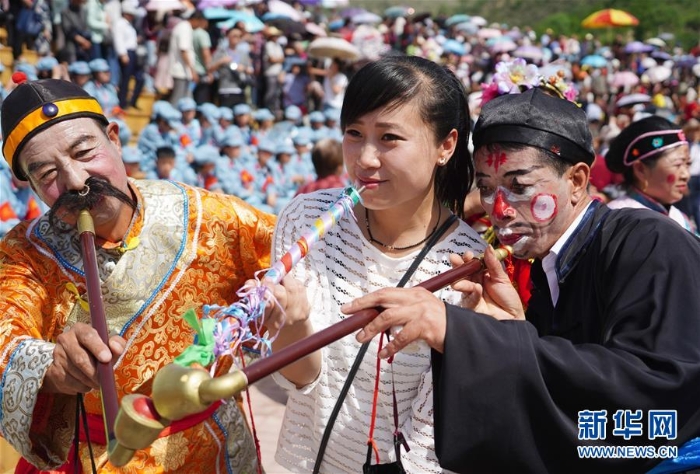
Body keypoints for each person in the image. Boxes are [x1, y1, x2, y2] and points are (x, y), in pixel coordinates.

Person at [346, 86, 700, 473]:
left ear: (578, 181)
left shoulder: (649, 240)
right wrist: (513, 328)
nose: (499, 210)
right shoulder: (554, 262)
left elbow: (652, 399)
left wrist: (464, 332)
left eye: (519, 186)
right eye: (485, 187)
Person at [0, 77, 275, 472]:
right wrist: (53, 366)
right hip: (99, 455)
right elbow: (5, 334)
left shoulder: (208, 217)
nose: (76, 181)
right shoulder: (24, 255)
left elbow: (295, 256)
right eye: (47, 175)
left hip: (213, 447)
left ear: (114, 137)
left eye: (84, 151)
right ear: (26, 185)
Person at [264, 55, 485, 473]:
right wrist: (293, 323)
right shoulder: (306, 221)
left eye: (389, 138)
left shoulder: (467, 267)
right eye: (354, 133)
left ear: (447, 145)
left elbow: (436, 429)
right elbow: (305, 381)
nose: (365, 158)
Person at [605, 115, 695, 232]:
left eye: (687, 164)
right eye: (677, 164)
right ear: (641, 170)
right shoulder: (620, 220)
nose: (686, 175)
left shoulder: (679, 217)